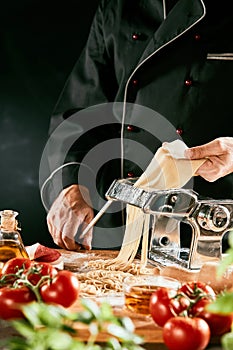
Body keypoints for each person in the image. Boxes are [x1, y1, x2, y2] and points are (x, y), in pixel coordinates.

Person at [40, 0, 233, 253]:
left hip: (213, 223)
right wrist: (70, 184)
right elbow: (80, 114)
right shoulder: (118, 8)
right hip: (121, 220)